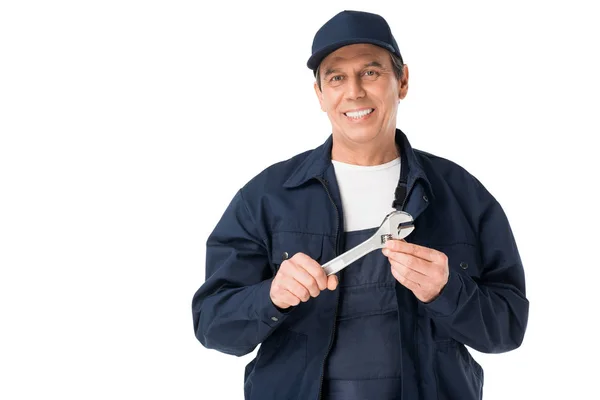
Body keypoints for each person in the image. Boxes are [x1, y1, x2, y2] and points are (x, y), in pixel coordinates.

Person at [191, 9, 529, 400]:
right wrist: (270, 296)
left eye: (371, 73)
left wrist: (448, 290)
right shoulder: (266, 197)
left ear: (402, 81)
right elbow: (212, 325)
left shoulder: (462, 196)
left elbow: (508, 328)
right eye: (336, 77)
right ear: (320, 94)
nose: (354, 92)